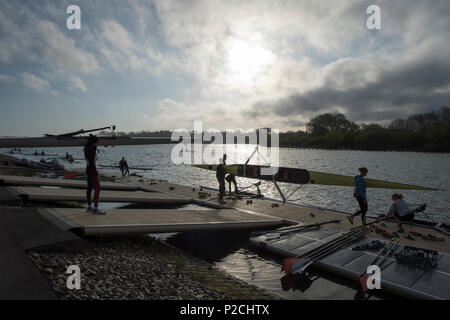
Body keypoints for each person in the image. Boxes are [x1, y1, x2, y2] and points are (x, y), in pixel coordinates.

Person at [84, 135, 105, 215]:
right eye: (97, 141)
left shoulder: (87, 148)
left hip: (88, 169)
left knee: (89, 187)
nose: (98, 143)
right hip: (92, 170)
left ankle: (89, 207)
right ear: (93, 142)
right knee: (97, 187)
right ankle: (95, 209)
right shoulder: (90, 150)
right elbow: (92, 163)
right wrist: (96, 174)